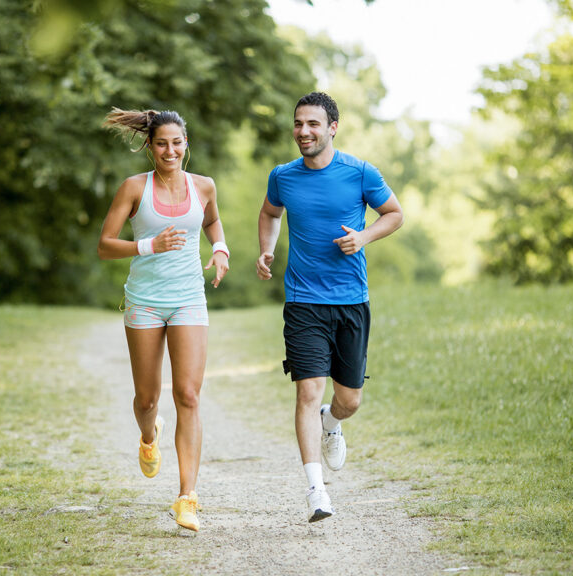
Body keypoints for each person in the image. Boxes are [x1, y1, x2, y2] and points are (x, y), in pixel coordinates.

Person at [256, 92, 404, 522]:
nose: (304, 131)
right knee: (307, 390)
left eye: (313, 124)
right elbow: (269, 213)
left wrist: (363, 237)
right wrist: (266, 249)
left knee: (350, 400)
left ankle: (332, 423)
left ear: (332, 127)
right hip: (303, 302)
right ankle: (316, 491)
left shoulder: (359, 172)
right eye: (298, 123)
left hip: (351, 301)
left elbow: (394, 214)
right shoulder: (283, 177)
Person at [98, 107, 230, 532]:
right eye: (161, 143)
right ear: (150, 146)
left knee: (188, 396)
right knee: (147, 399)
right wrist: (148, 245)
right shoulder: (134, 188)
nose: (170, 150)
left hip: (189, 298)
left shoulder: (204, 186)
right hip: (145, 301)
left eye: (177, 143)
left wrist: (221, 247)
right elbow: (105, 245)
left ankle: (187, 497)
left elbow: (210, 221)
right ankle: (149, 434)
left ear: (185, 143)